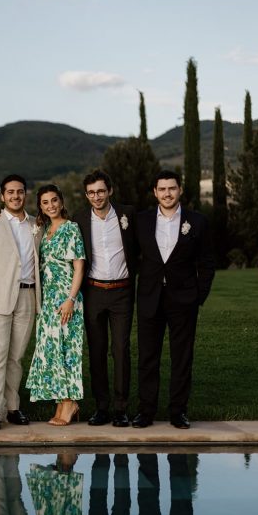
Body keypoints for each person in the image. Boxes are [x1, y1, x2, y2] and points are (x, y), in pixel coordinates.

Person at [133, 170, 215, 429]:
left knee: (182, 357)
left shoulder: (198, 221)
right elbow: (132, 257)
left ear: (180, 190)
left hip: (183, 301)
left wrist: (197, 297)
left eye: (172, 188)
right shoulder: (141, 221)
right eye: (162, 189)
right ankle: (145, 412)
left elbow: (207, 263)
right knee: (148, 358)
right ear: (155, 192)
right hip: (150, 299)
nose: (167, 193)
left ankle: (178, 412)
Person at [72, 170, 138, 428]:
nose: (96, 197)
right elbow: (51, 224)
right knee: (96, 351)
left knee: (120, 350)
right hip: (93, 292)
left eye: (100, 191)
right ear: (86, 195)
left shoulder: (127, 214)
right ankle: (101, 407)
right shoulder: (79, 219)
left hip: (122, 292)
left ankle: (121, 409)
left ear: (109, 190)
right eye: (91, 192)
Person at [0, 174, 41, 431]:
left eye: (20, 192)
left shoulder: (38, 225)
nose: (16, 196)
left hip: (28, 295)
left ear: (25, 195)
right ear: (2, 196)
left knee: (16, 357)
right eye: (10, 192)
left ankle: (13, 407)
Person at [25, 184, 85, 426]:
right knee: (52, 352)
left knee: (68, 351)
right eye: (45, 202)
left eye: (54, 200)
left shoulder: (71, 228)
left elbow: (79, 266)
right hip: (48, 301)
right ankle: (61, 402)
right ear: (40, 207)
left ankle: (70, 403)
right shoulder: (44, 230)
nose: (51, 205)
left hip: (66, 299)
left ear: (61, 202)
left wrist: (70, 300)